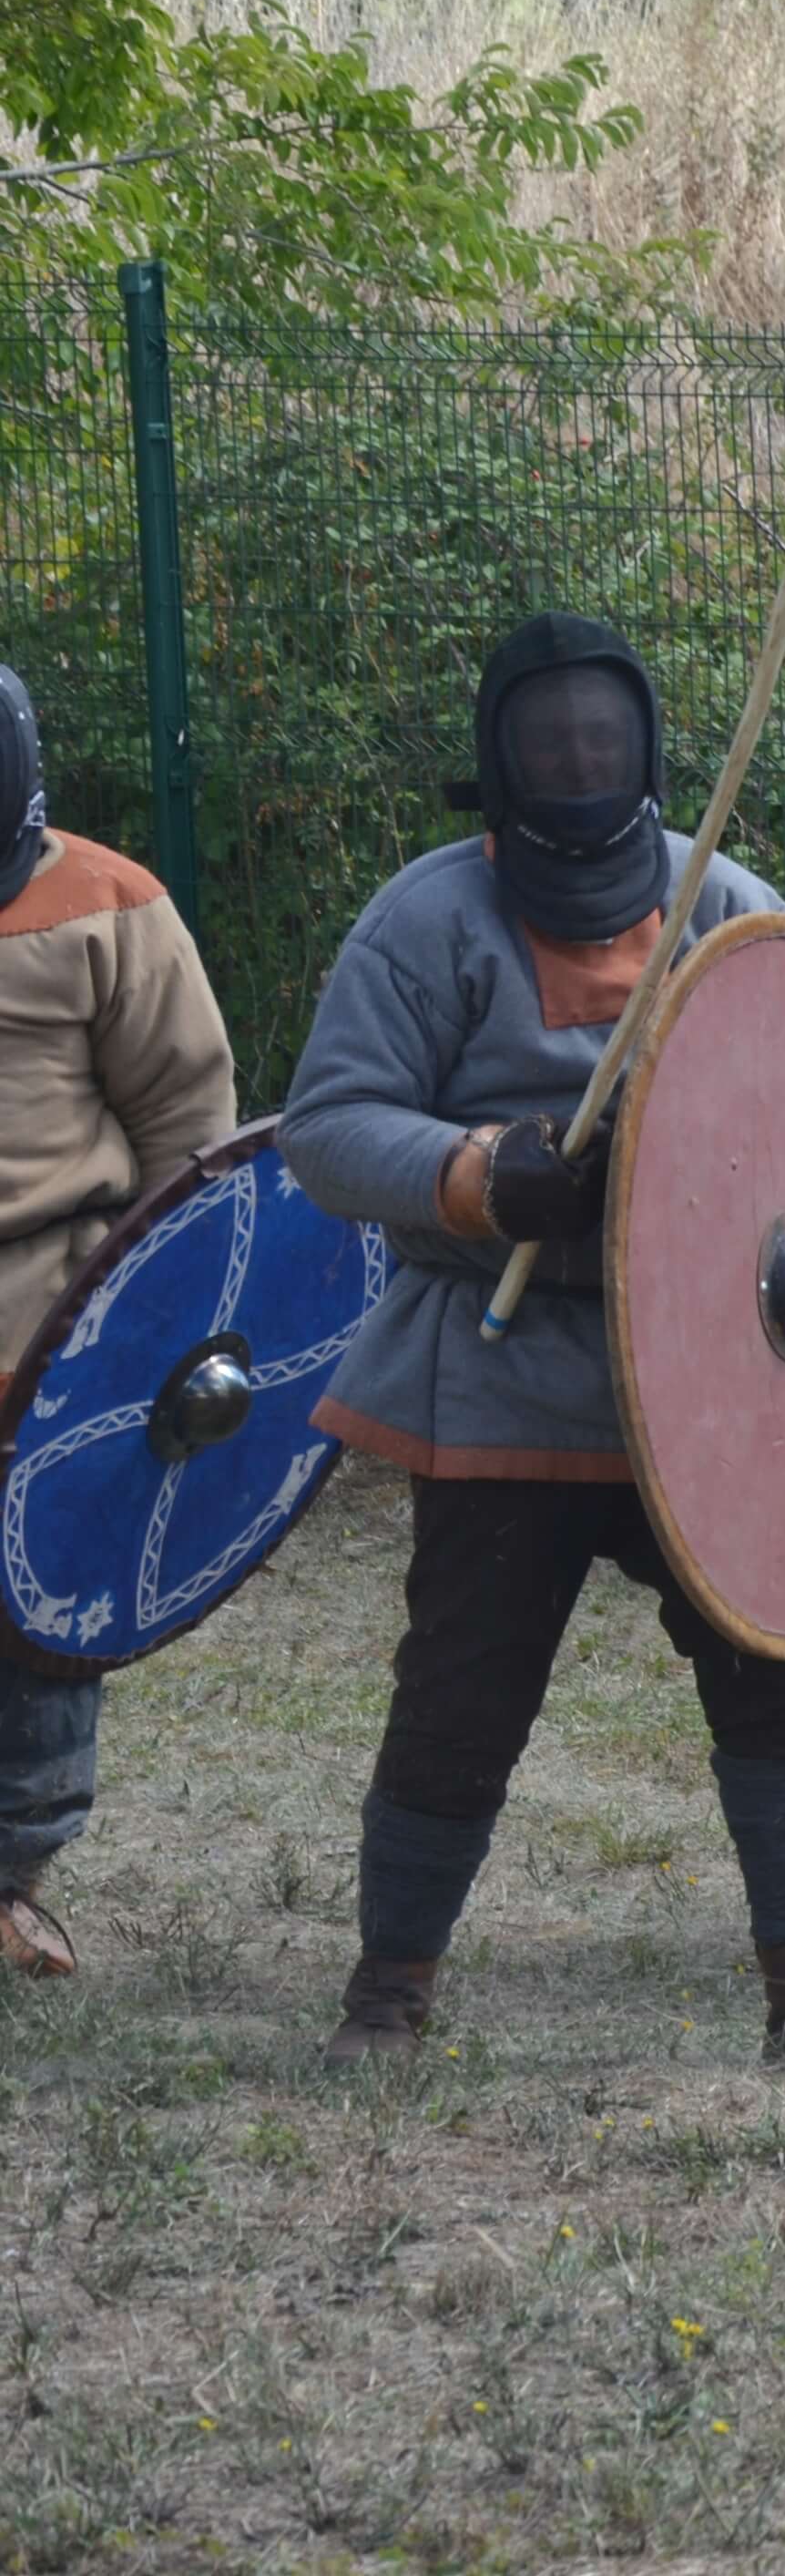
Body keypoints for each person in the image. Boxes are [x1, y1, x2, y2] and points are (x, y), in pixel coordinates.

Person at [281, 615, 785, 2069]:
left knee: (782, 1668)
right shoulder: (429, 919)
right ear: (500, 756)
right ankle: (388, 1998)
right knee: (464, 1688)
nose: (578, 760)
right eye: (549, 737)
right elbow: (328, 1127)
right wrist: (483, 1173)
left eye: (602, 734)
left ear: (643, 747)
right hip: (505, 1361)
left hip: (721, 1377)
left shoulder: (730, 911)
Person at [0, 662, 240, 1979]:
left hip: (51, 1324)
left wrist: (154, 1315)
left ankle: (11, 1878)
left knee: (38, 1617)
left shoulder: (108, 905)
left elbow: (186, 1128)